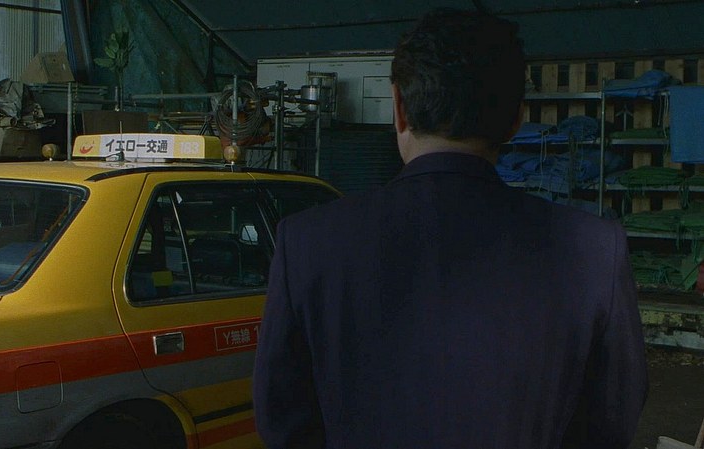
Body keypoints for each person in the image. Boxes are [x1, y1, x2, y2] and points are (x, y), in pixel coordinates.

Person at [253, 8, 647, 449]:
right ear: (516, 119)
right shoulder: (594, 250)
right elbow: (611, 422)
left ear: (399, 108)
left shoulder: (307, 242)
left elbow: (281, 420)